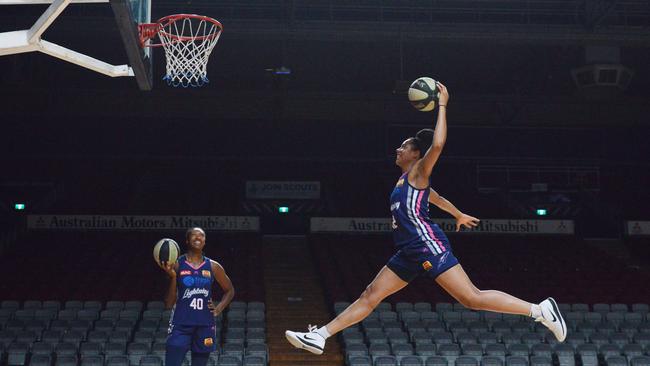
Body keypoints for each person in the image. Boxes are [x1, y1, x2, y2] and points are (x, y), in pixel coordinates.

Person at [285, 82, 566, 355]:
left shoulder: (420, 171)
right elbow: (438, 199)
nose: (398, 150)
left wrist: (442, 105)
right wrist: (458, 214)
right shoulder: (405, 181)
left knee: (471, 298)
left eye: (403, 147)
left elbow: (439, 144)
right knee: (370, 295)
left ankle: (540, 310)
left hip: (426, 243)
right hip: (408, 251)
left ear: (416, 154)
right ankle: (319, 336)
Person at [159, 227, 235, 366]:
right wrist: (174, 277)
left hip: (205, 324)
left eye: (201, 236)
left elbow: (230, 290)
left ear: (205, 241)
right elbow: (169, 303)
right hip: (181, 324)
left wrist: (218, 309)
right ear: (187, 240)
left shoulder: (213, 266)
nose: (198, 238)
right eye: (194, 236)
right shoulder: (176, 264)